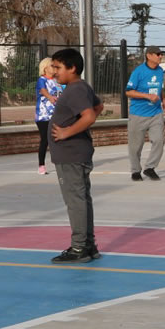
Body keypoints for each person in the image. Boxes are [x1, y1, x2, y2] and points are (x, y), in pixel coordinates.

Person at [48, 48, 104, 263]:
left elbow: (90, 115)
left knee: (75, 201)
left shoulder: (74, 90)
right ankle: (88, 245)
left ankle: (79, 247)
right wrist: (75, 124)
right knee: (82, 199)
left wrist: (66, 131)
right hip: (76, 153)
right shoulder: (81, 87)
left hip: (70, 155)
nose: (54, 72)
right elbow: (99, 106)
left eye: (57, 67)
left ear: (72, 68)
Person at [125, 46, 165, 182]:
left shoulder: (160, 71)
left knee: (159, 141)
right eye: (158, 54)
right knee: (135, 146)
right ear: (149, 55)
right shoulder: (139, 72)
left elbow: (159, 87)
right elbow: (128, 91)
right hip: (138, 114)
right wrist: (147, 96)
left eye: (161, 54)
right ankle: (136, 171)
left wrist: (164, 100)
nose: (160, 56)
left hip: (156, 113)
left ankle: (150, 168)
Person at [34, 57, 60, 175]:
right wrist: (50, 97)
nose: (54, 68)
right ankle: (41, 165)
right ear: (45, 68)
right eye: (52, 66)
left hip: (56, 114)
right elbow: (43, 91)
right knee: (45, 139)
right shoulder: (42, 80)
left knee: (57, 138)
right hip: (43, 115)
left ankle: (59, 162)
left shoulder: (57, 81)